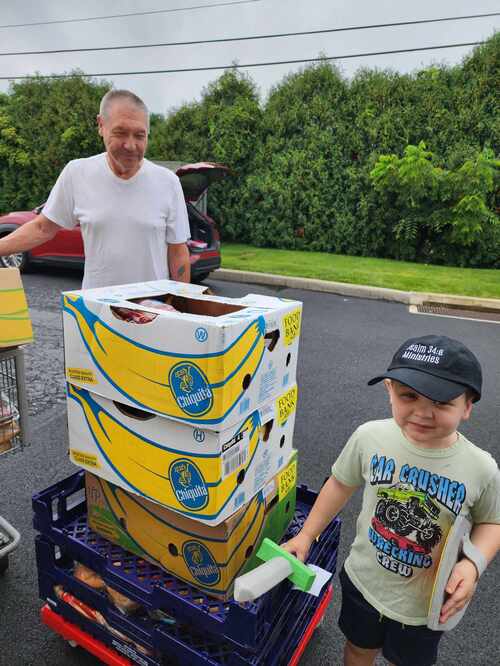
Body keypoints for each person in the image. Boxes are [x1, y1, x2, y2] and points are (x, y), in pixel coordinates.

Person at [284, 334, 500, 666]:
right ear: (389, 389)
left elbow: (491, 522)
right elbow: (339, 484)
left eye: (442, 402)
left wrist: (473, 564)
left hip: (426, 605)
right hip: (364, 581)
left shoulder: (481, 468)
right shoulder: (369, 437)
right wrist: (306, 535)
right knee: (358, 649)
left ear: (467, 406)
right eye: (408, 395)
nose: (423, 412)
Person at [0, 89, 191, 289]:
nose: (130, 145)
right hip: (95, 306)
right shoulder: (77, 173)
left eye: (139, 135)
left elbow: (178, 251)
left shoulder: (167, 182)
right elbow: (42, 228)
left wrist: (182, 301)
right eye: (120, 133)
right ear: (101, 125)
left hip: (153, 305)